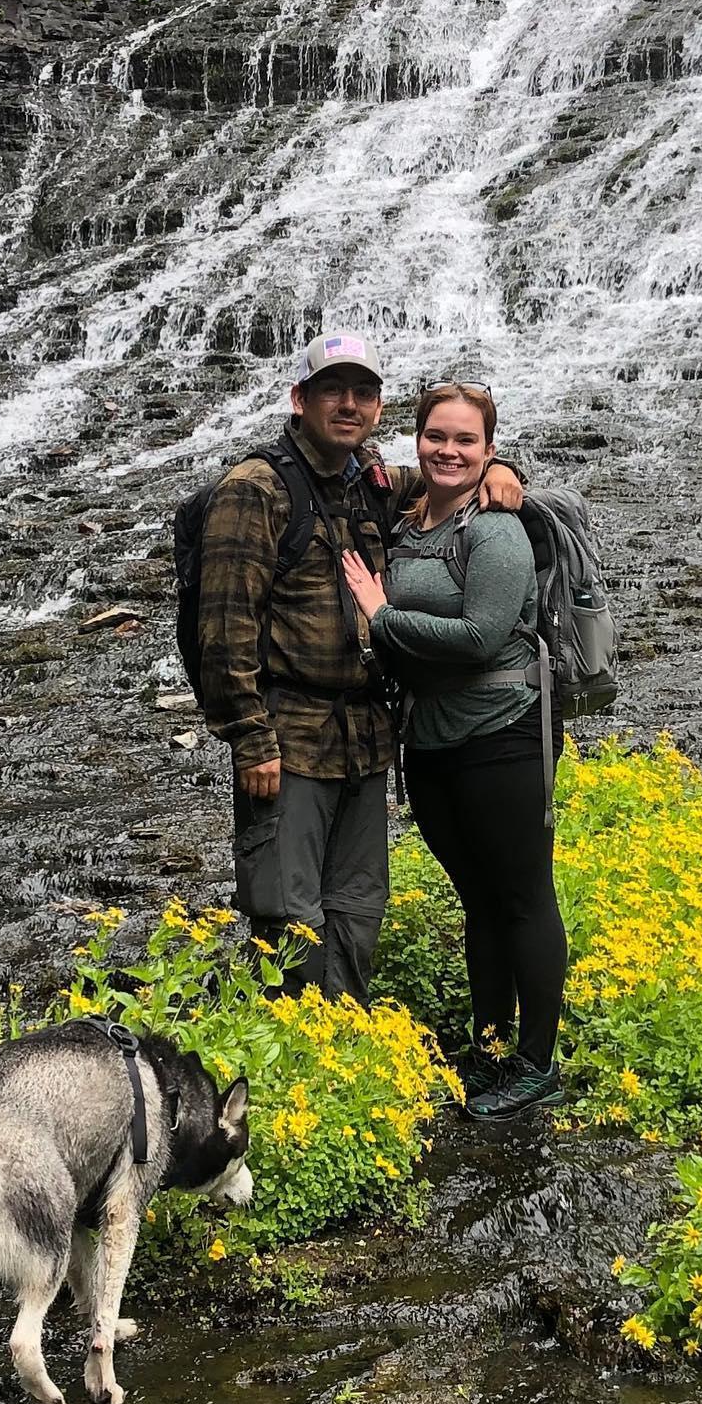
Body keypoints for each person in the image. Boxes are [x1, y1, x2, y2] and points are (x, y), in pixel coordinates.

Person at [196, 335, 523, 1003]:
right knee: (287, 910)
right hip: (287, 738)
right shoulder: (254, 491)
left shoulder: (371, 480)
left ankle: (343, 1033)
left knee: (357, 904)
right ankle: (292, 1053)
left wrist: (502, 469)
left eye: (363, 393)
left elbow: (451, 470)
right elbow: (224, 627)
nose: (349, 404)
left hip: (366, 738)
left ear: (378, 409)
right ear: (301, 398)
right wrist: (249, 737)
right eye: (333, 391)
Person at [342, 382, 568, 1121]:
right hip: (433, 742)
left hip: (502, 734)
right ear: (418, 439)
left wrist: (382, 617)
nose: (449, 450)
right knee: (478, 901)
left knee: (523, 897)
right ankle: (491, 1043)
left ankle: (536, 1064)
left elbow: (479, 638)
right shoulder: (410, 521)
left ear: (489, 450)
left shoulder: (495, 528)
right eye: (437, 436)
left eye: (467, 441)